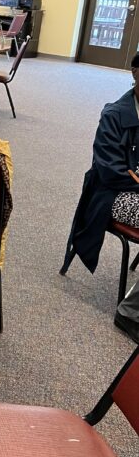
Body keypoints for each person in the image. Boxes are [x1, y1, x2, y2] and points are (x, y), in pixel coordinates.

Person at [62, 53, 139, 344]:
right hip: (114, 194)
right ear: (135, 72)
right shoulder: (115, 115)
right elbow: (111, 172)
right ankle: (130, 312)